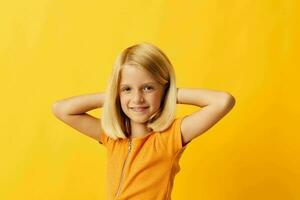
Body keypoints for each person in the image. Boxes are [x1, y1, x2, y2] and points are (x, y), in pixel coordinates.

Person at [52, 42, 236, 200]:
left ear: (164, 89)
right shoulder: (113, 137)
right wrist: (113, 95)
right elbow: (61, 109)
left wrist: (171, 93)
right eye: (127, 89)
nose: (137, 99)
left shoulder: (169, 138)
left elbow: (223, 101)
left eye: (148, 88)